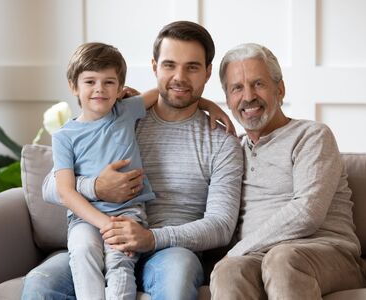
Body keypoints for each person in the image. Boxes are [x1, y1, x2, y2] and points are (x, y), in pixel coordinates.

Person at [21, 21, 243, 300]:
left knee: (177, 277)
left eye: (192, 67)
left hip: (168, 252)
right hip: (104, 236)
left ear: (208, 72)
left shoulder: (222, 142)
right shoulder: (118, 117)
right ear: (154, 67)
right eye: (169, 65)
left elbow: (221, 226)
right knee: (41, 283)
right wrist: (97, 187)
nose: (179, 77)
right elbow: (50, 187)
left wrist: (151, 238)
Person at [209, 43, 366, 299]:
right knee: (228, 270)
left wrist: (239, 249)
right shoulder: (232, 150)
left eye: (258, 84)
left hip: (327, 252)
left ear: (279, 89)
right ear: (227, 99)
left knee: (282, 259)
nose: (248, 96)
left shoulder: (312, 136)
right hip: (257, 257)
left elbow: (307, 213)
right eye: (237, 88)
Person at [52, 42, 159, 300]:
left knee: (120, 264)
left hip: (128, 214)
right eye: (90, 81)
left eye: (109, 82)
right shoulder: (64, 137)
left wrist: (207, 104)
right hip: (85, 219)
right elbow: (65, 192)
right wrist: (104, 224)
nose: (100, 89)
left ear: (120, 87)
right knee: (83, 250)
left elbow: (163, 93)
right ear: (73, 86)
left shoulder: (126, 110)